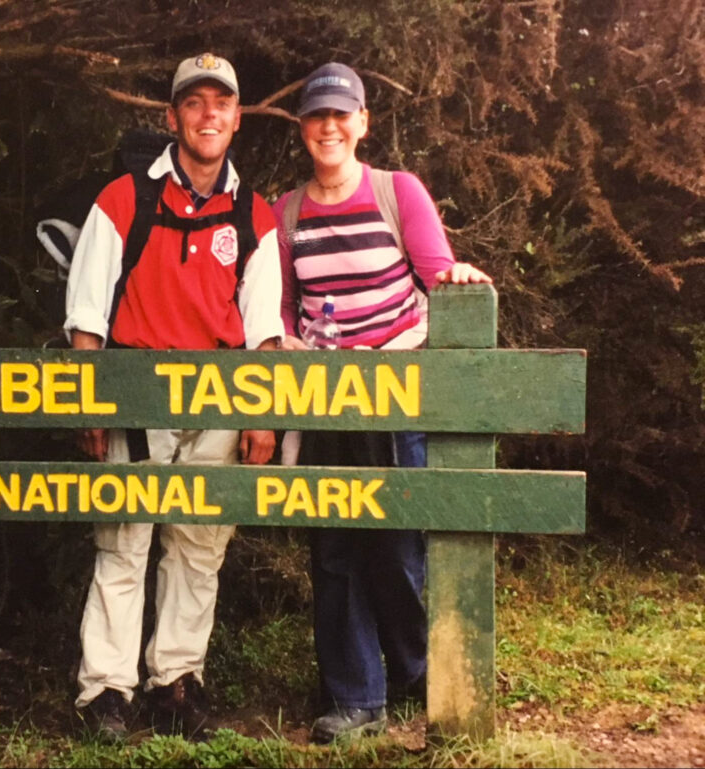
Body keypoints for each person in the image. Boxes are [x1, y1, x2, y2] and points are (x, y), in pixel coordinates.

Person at [63, 52, 285, 741]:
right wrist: (89, 402)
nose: (208, 113)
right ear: (173, 116)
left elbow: (266, 330)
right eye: (195, 102)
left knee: (198, 546)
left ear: (237, 118)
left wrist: (263, 420)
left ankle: (178, 681)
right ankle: (106, 689)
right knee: (123, 542)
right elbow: (87, 316)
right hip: (134, 390)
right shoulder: (124, 198)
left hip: (221, 396)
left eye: (221, 103)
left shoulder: (255, 215)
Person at [273, 62, 493, 745]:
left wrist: (453, 275)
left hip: (394, 395)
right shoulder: (286, 212)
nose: (329, 126)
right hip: (323, 400)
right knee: (335, 551)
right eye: (317, 116)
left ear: (363, 123)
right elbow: (281, 311)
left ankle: (411, 667)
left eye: (342, 114)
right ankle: (354, 697)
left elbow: (436, 274)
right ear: (303, 129)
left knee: (397, 548)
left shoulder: (398, 192)